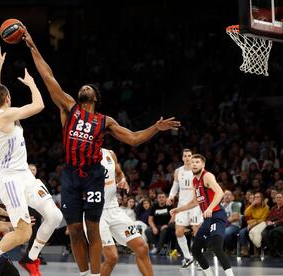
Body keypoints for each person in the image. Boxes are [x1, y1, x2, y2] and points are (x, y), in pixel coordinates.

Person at [23, 29, 180, 276]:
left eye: (89, 87)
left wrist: (155, 128)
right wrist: (32, 46)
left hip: (93, 176)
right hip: (71, 175)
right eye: (82, 86)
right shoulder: (68, 107)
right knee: (74, 229)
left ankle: (94, 275)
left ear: (95, 97)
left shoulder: (105, 121)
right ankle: (85, 273)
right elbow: (47, 75)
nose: (84, 87)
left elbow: (134, 139)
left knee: (92, 227)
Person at [0, 45, 63, 276]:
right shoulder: (7, 114)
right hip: (10, 180)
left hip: (25, 176)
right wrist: (31, 84)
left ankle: (30, 258)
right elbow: (38, 106)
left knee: (55, 216)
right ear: (7, 98)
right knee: (24, 233)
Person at [170, 154, 234, 276]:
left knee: (216, 246)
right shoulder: (194, 181)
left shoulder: (207, 176)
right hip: (207, 219)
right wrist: (178, 210)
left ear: (203, 165)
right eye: (192, 162)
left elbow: (220, 192)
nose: (194, 164)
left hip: (217, 216)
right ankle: (209, 274)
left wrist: (209, 208)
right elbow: (194, 202)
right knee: (195, 250)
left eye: (197, 162)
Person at [98, 148, 153, 276]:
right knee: (112, 257)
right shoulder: (81, 155)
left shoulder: (110, 153)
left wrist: (122, 179)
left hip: (113, 210)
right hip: (95, 213)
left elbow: (119, 173)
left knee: (142, 248)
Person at [167, 149, 203, 268]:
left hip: (195, 205)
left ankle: (199, 258)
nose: (187, 158)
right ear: (182, 158)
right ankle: (188, 257)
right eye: (185, 156)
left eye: (189, 156)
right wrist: (171, 196)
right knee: (179, 232)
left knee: (196, 231)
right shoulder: (178, 171)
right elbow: (175, 186)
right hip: (182, 206)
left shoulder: (198, 170)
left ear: (192, 157)